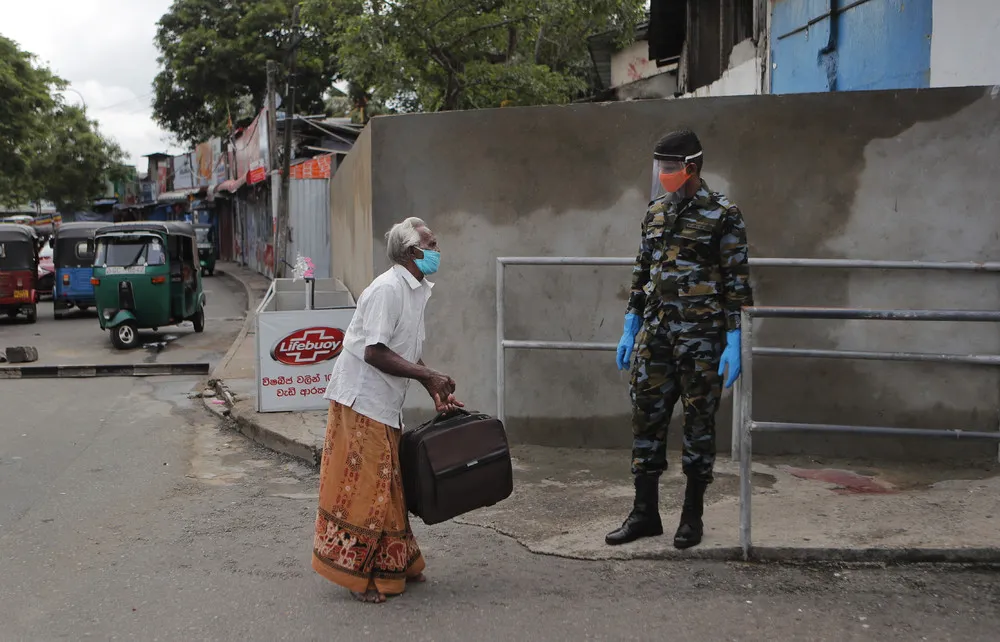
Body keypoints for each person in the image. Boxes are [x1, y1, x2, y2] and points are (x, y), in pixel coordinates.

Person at [606, 129, 754, 550]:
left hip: (702, 339)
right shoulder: (654, 212)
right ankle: (644, 513)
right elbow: (642, 271)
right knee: (646, 418)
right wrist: (630, 323)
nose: (663, 175)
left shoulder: (723, 214)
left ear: (691, 168)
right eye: (660, 168)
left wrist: (734, 339)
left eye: (669, 168)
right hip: (656, 336)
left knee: (698, 426)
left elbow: (737, 283)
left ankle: (692, 516)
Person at [312, 216, 463, 603]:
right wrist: (428, 376)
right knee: (367, 489)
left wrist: (431, 385)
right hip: (361, 399)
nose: (437, 250)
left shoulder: (415, 289)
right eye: (431, 244)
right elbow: (374, 351)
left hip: (382, 402)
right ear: (413, 252)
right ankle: (358, 574)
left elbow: (406, 349)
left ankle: (396, 563)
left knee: (389, 483)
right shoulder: (387, 289)